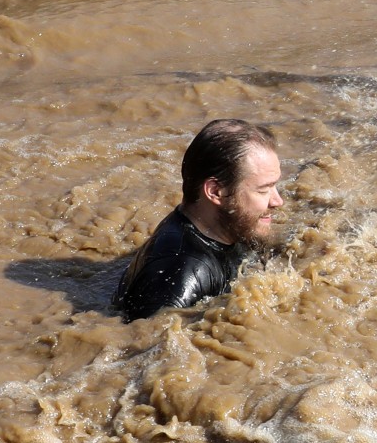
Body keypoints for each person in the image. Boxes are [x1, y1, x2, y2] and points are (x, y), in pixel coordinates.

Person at [113, 119, 283, 322]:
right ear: (216, 192)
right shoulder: (180, 273)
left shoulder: (228, 224)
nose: (278, 201)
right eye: (263, 190)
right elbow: (145, 344)